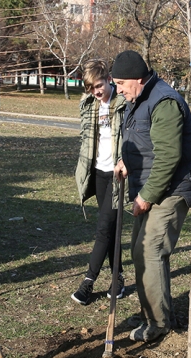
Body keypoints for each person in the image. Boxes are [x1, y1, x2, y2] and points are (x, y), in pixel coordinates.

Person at [110, 50, 191, 342]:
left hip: (169, 190)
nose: (117, 89)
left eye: (121, 83)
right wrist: (126, 163)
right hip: (151, 187)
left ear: (137, 78)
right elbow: (142, 142)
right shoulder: (140, 99)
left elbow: (168, 157)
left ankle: (158, 323)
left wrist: (146, 196)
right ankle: (154, 312)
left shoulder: (165, 101)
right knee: (139, 249)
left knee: (150, 252)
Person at [72, 59, 127, 305]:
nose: (96, 91)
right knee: (111, 230)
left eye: (98, 85)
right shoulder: (90, 105)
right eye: (91, 88)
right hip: (98, 173)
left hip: (117, 175)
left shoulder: (123, 104)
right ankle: (119, 278)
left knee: (104, 229)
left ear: (108, 79)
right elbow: (86, 137)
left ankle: (88, 282)